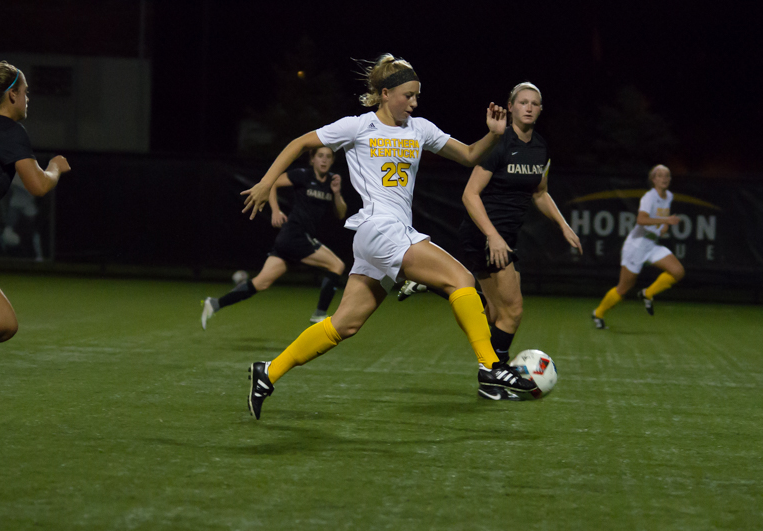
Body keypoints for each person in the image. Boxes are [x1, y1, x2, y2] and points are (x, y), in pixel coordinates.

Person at [240, 54, 542, 419]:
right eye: (408, 95)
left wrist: (492, 136)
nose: (414, 103)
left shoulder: (419, 129)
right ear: (385, 94)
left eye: (417, 96)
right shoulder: (358, 126)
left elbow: (468, 155)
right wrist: (266, 182)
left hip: (391, 235)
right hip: (378, 228)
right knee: (460, 278)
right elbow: (300, 143)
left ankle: (268, 372)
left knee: (344, 324)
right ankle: (491, 366)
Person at [401, 82, 582, 400]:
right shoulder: (499, 143)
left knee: (497, 314)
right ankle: (492, 378)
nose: (528, 107)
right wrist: (493, 236)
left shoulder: (540, 147)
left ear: (540, 110)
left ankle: (439, 287)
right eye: (522, 102)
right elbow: (469, 194)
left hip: (504, 236)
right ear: (510, 107)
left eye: (534, 103)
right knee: (512, 311)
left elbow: (540, 192)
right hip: (484, 233)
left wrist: (563, 225)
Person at [0, 61, 70, 369]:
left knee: (5, 323)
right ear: (11, 96)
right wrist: (55, 168)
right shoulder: (10, 131)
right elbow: (37, 185)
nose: (27, 98)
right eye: (25, 92)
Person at [201, 147, 348, 328]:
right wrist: (275, 211)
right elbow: (273, 183)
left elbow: (341, 214)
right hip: (295, 235)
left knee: (261, 283)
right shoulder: (302, 175)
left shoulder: (331, 182)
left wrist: (337, 193)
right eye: (320, 156)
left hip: (292, 239)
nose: (324, 160)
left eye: (328, 157)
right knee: (337, 265)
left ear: (332, 161)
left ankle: (214, 304)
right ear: (312, 160)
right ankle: (319, 315)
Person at [592, 165, 684, 328]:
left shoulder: (668, 196)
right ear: (653, 180)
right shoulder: (649, 197)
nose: (664, 178)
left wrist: (664, 226)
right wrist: (665, 221)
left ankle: (647, 293)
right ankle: (598, 313)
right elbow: (641, 220)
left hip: (651, 244)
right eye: (660, 176)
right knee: (624, 288)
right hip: (636, 245)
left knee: (678, 271)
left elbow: (662, 217)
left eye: (667, 176)